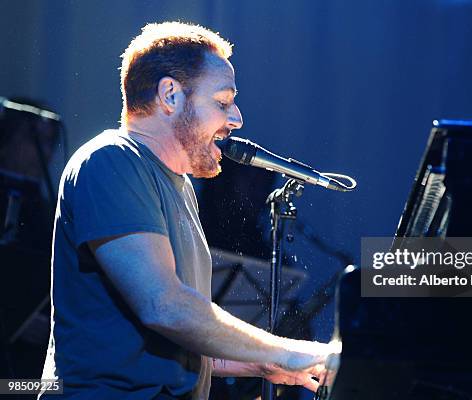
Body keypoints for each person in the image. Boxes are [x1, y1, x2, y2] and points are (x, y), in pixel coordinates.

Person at [39, 21, 335, 400]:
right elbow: (164, 306)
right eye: (223, 102)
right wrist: (289, 351)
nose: (236, 119)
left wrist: (263, 363)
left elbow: (167, 343)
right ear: (170, 95)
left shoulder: (180, 188)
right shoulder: (109, 161)